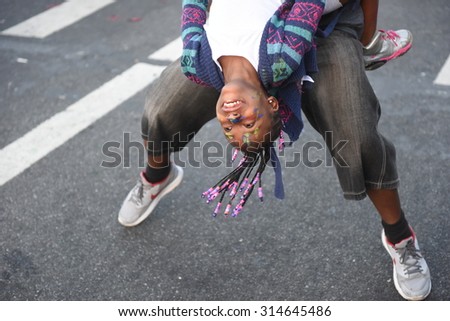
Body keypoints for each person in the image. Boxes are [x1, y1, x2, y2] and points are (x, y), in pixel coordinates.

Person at [118, 0, 431, 301]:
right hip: (263, 44)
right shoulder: (209, 66)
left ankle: (399, 236)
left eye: (232, 126)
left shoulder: (201, 61)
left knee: (357, 135)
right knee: (161, 110)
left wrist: (365, 39)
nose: (232, 120)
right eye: (237, 126)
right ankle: (157, 175)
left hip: (322, 29)